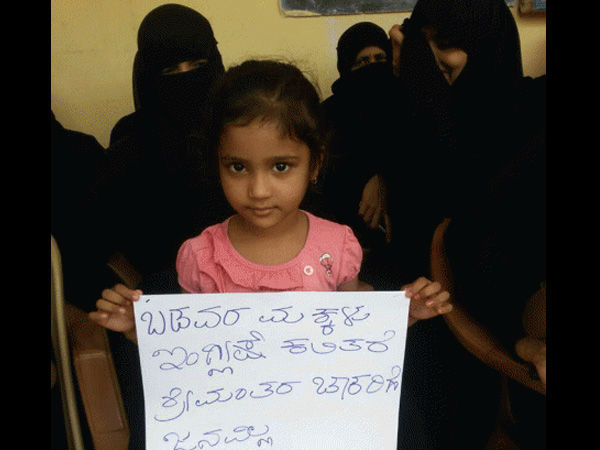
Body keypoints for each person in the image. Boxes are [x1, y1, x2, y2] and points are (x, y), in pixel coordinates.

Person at [89, 59, 453, 343]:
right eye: (237, 167)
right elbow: (187, 347)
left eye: (280, 166)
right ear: (217, 163)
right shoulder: (201, 258)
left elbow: (356, 326)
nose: (259, 190)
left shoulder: (337, 247)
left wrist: (404, 313)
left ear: (314, 164)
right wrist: (138, 327)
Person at [388, 0, 546, 447]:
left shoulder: (531, 114)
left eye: (446, 47)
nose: (432, 62)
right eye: (424, 48)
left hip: (511, 334)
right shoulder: (417, 112)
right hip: (433, 323)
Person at [92, 3, 233, 297]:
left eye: (198, 66)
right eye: (170, 70)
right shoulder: (129, 144)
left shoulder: (239, 129)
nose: (186, 79)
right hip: (163, 298)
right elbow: (106, 241)